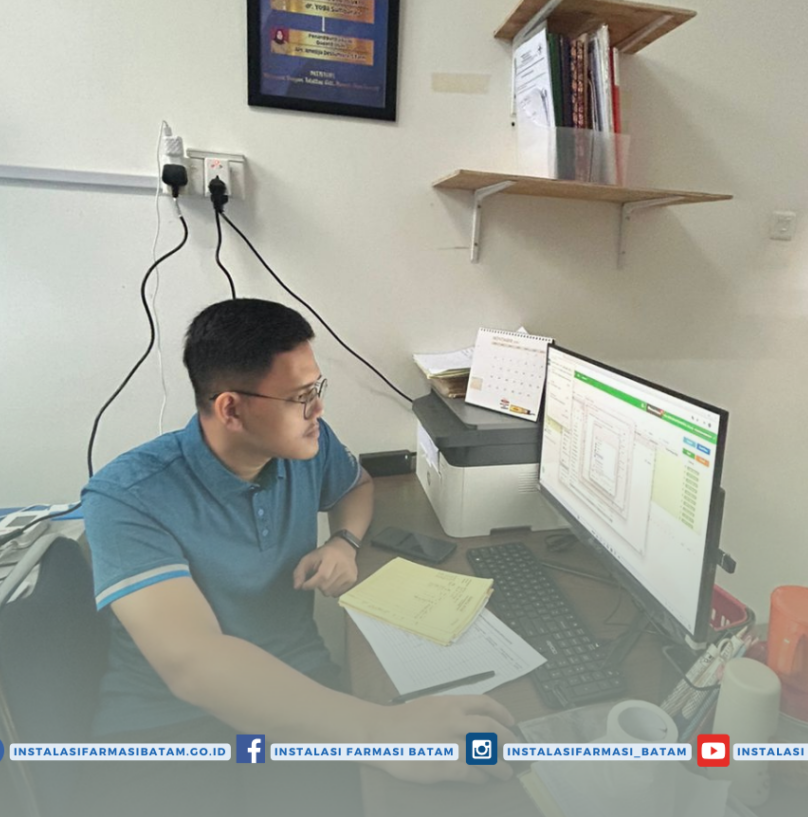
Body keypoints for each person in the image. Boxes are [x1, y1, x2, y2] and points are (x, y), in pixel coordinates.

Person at [80, 298, 513, 815]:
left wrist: (343, 542)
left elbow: (357, 485)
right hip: (169, 723)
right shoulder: (127, 495)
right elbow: (195, 663)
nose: (318, 410)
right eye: (300, 397)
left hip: (297, 682)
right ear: (231, 409)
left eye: (317, 389)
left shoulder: (307, 444)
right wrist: (381, 731)